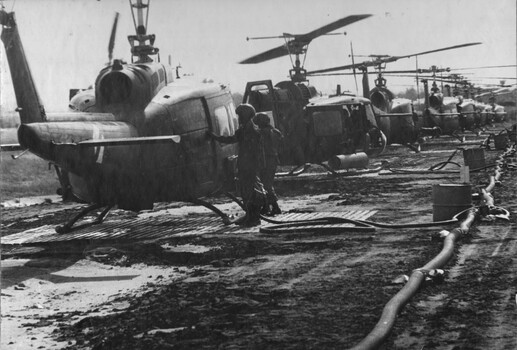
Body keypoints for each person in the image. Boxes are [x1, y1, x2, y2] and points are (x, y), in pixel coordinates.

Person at [208, 104, 266, 227]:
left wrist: (255, 166)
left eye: (240, 115)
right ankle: (250, 216)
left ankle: (254, 218)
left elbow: (257, 152)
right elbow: (230, 139)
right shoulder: (244, 130)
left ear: (245, 116)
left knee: (251, 192)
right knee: (246, 192)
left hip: (249, 166)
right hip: (245, 165)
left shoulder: (252, 131)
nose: (239, 118)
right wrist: (214, 137)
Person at [254, 112, 283, 216]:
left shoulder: (262, 132)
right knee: (266, 184)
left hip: (266, 161)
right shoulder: (275, 131)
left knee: (266, 184)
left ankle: (275, 207)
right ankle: (267, 206)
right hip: (272, 160)